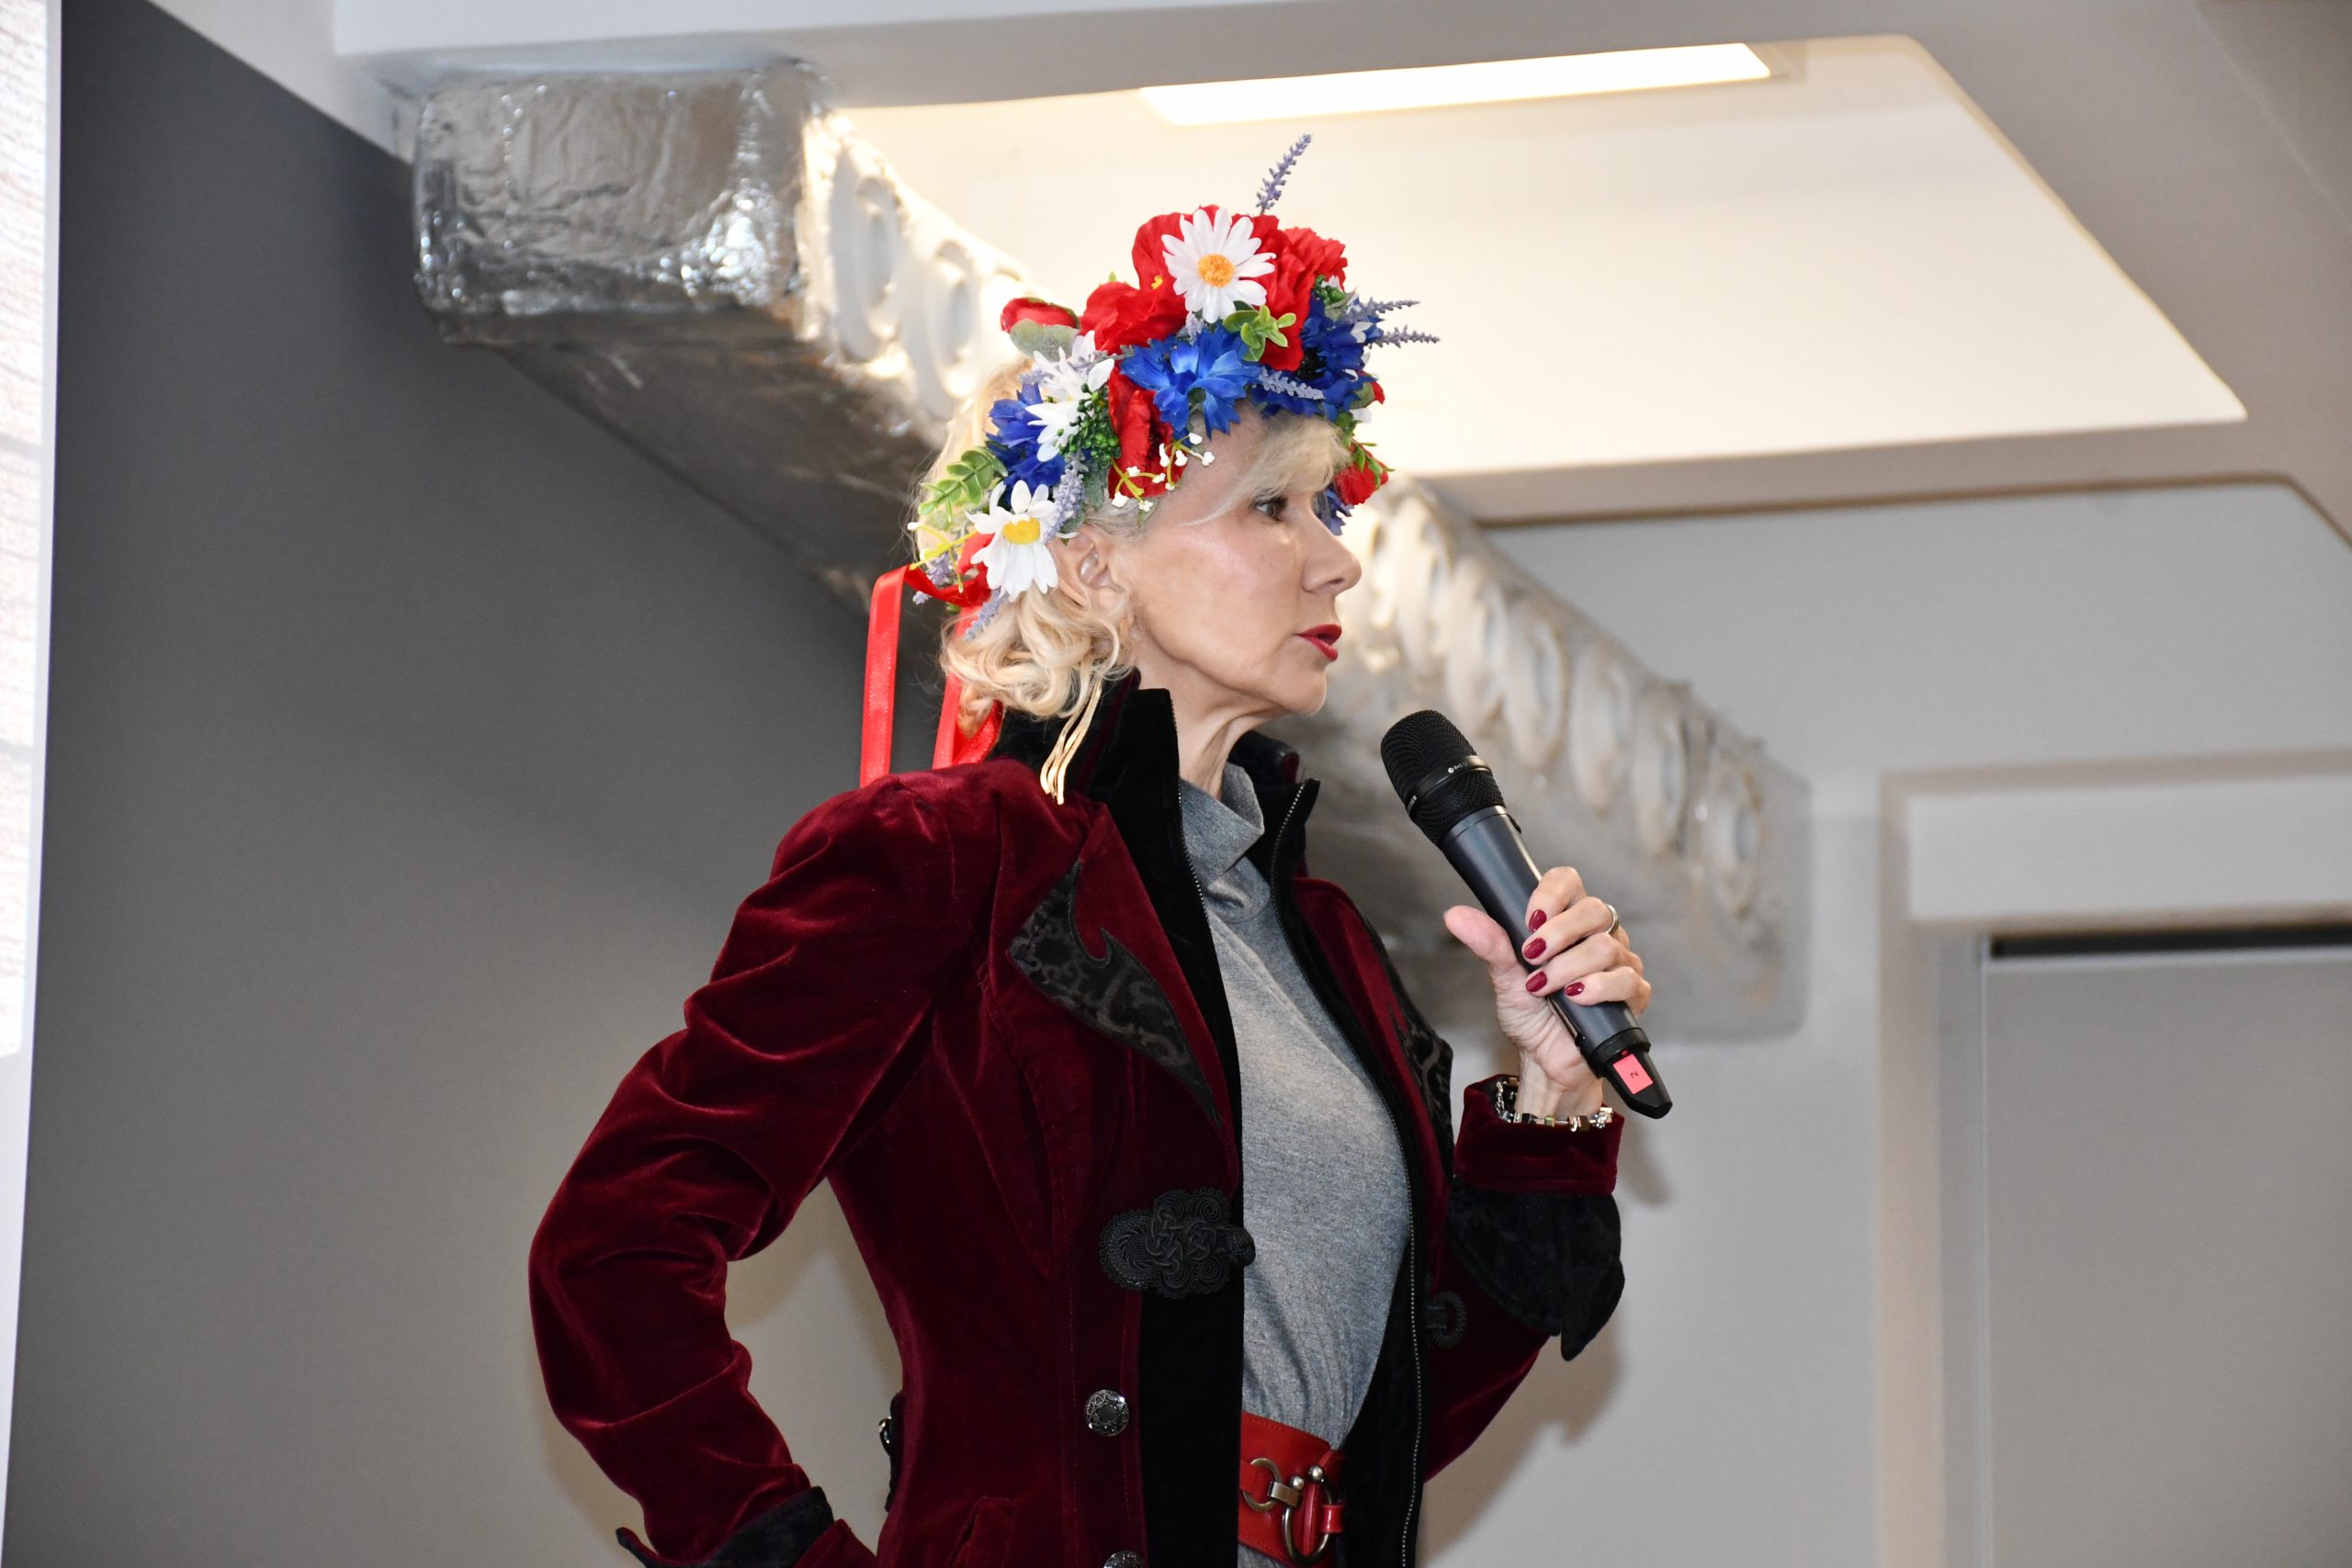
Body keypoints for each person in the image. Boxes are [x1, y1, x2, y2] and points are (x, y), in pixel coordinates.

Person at [527, 139, 1653, 1568]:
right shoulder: (946, 858)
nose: (1338, 559)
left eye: (1328, 509)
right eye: (1272, 508)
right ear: (1092, 560)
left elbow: (1394, 1418)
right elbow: (613, 1253)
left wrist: (1554, 1103)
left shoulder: (1324, 941)